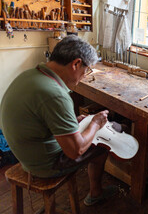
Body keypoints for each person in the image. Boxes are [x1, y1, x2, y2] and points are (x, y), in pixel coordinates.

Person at [0, 35, 116, 206]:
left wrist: (73, 122)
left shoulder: (31, 75)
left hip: (24, 152)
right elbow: (75, 151)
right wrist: (95, 124)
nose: (84, 76)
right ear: (76, 64)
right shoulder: (55, 94)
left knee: (87, 132)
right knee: (102, 146)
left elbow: (40, 119)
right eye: (86, 70)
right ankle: (96, 193)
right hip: (42, 164)